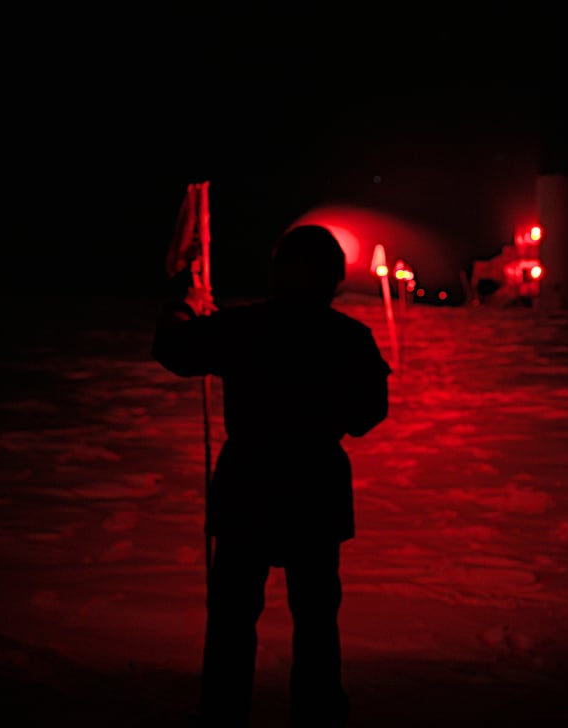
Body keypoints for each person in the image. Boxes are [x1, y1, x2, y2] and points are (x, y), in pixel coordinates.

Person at [152, 224, 392, 727]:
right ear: (332, 279)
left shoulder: (245, 329)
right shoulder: (348, 338)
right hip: (314, 488)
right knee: (317, 622)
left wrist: (186, 306)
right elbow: (367, 416)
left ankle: (223, 713)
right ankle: (318, 714)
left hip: (250, 486)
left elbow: (172, 349)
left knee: (233, 622)